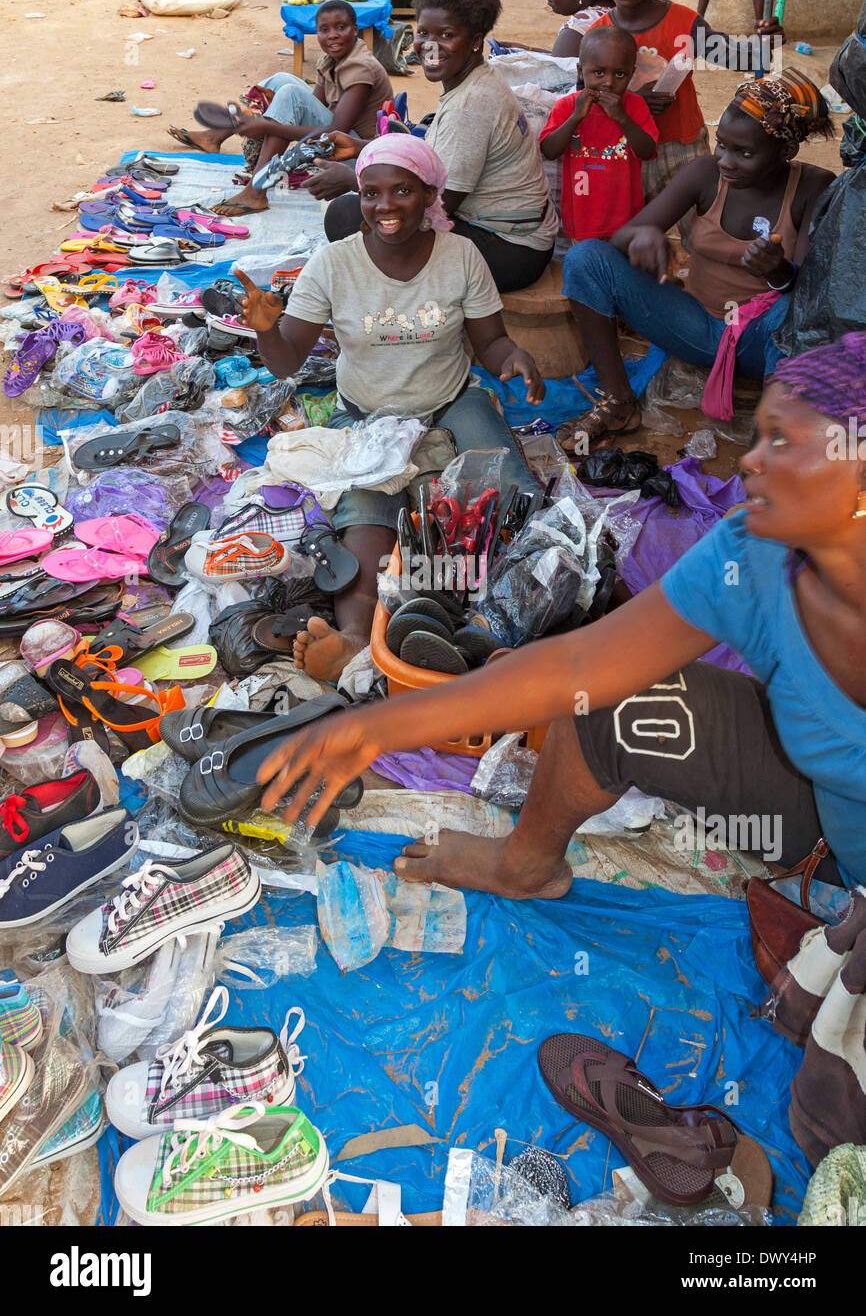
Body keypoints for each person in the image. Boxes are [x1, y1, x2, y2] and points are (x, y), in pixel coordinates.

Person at [255, 333, 866, 903]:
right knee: (607, 695)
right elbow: (578, 666)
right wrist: (376, 728)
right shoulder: (752, 551)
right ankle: (524, 865)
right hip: (819, 815)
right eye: (758, 436)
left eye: (782, 440)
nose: (750, 461)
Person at [234, 135, 544, 683]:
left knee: (512, 493)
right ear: (360, 197)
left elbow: (491, 342)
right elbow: (286, 362)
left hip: (450, 401)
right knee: (365, 513)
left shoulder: (461, 256)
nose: (386, 206)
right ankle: (355, 636)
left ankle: (509, 619)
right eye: (372, 193)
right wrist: (265, 332)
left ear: (429, 193)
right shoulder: (333, 265)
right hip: (365, 413)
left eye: (402, 190)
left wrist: (513, 357)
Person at [556, 68, 834, 447]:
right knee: (585, 259)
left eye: (744, 153)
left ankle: (771, 441)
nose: (725, 160)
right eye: (721, 144)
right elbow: (622, 238)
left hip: (761, 342)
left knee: (788, 311)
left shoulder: (813, 187)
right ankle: (619, 401)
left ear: (786, 152)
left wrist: (778, 270)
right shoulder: (705, 173)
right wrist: (646, 237)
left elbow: (807, 302)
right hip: (695, 327)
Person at [308, 0, 559, 294]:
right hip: (511, 234)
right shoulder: (470, 80)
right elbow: (433, 158)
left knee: (345, 216)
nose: (430, 46)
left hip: (511, 250)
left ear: (475, 41)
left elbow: (434, 205)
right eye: (424, 32)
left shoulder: (470, 106)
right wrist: (361, 150)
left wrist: (354, 180)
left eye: (447, 35)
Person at [592, 0, 783, 215]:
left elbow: (738, 58)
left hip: (681, 146)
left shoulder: (684, 22)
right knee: (630, 224)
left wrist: (766, 43)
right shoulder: (596, 35)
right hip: (623, 146)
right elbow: (588, 97)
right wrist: (635, 103)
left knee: (698, 221)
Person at [167, 1, 393, 217]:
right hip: (339, 138)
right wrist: (276, 116)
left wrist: (268, 125)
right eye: (324, 29)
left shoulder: (360, 67)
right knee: (281, 80)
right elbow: (312, 105)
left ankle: (256, 192)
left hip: (358, 154)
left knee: (290, 95)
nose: (332, 35)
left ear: (355, 30)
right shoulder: (330, 59)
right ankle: (214, 137)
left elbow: (336, 131)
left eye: (341, 27)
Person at [539, 26, 657, 242]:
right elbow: (549, 150)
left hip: (626, 218)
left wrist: (622, 118)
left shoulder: (635, 106)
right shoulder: (567, 107)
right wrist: (575, 117)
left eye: (620, 74)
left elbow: (648, 151)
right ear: (580, 71)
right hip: (583, 217)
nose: (609, 82)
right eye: (599, 73)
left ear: (632, 73)